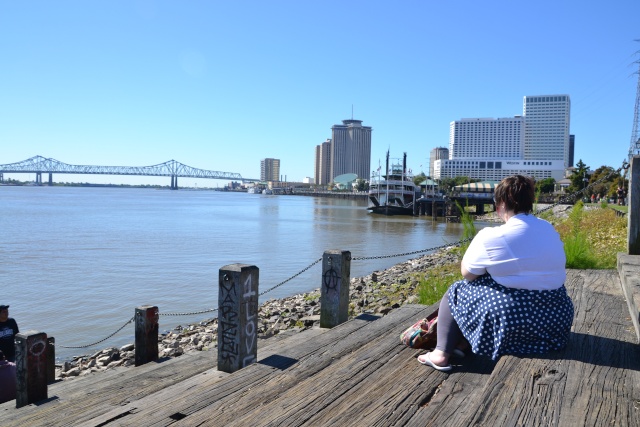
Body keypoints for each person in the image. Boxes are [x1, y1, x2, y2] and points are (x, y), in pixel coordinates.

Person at [418, 175, 574, 371]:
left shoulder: (492, 235)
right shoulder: (548, 228)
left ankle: (441, 353)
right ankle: (463, 344)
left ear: (500, 203)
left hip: (514, 323)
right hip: (556, 321)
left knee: (457, 290)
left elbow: (467, 273)